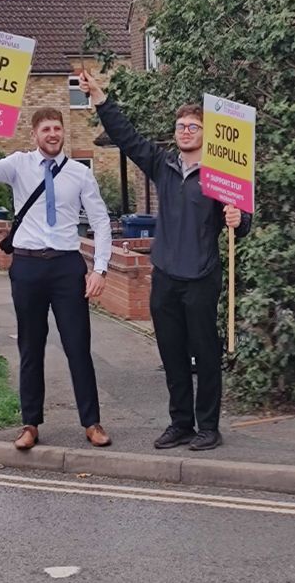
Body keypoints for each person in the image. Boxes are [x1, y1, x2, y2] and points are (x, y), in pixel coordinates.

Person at [79, 71, 252, 452]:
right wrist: (102, 99)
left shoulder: (222, 176)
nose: (185, 131)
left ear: (207, 134)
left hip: (202, 275)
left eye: (192, 126)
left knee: (206, 356)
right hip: (167, 276)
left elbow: (242, 226)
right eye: (180, 126)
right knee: (172, 355)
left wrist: (239, 220)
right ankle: (181, 424)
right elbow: (127, 138)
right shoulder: (162, 165)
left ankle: (209, 426)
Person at [0, 107, 113, 450]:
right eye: (46, 129)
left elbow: (101, 222)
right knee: (30, 347)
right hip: (28, 267)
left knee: (78, 346)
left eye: (57, 128)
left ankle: (92, 423)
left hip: (66, 267)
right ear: (34, 134)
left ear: (63, 133)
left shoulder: (79, 174)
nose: (52, 134)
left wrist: (100, 268)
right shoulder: (19, 164)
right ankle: (30, 424)